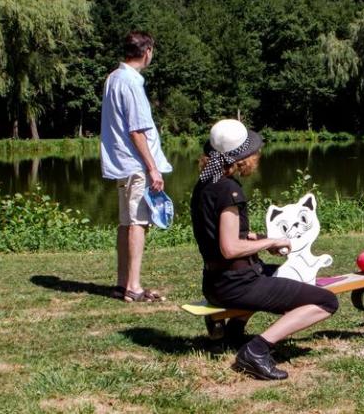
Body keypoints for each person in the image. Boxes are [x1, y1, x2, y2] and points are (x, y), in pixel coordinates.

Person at [190, 119, 338, 381]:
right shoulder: (228, 190)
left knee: (286, 275)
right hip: (236, 285)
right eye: (252, 151)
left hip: (215, 282)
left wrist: (254, 238)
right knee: (326, 301)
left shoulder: (205, 184)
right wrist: (269, 242)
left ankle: (233, 333)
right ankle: (256, 351)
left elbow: (221, 235)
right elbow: (230, 248)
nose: (256, 155)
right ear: (241, 158)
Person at [101, 31, 172, 303]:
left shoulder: (113, 79)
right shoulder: (131, 82)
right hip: (136, 164)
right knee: (138, 223)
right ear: (148, 51)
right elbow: (136, 131)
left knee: (126, 223)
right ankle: (133, 286)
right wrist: (152, 168)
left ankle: (122, 283)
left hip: (122, 164)